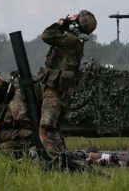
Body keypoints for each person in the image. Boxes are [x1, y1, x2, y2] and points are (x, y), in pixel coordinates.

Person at [37, 10, 97, 165]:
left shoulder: (71, 40)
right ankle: (63, 156)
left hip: (55, 91)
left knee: (46, 127)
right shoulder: (76, 40)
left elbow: (46, 36)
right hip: (61, 91)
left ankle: (59, 161)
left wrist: (59, 23)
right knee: (55, 128)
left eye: (75, 18)